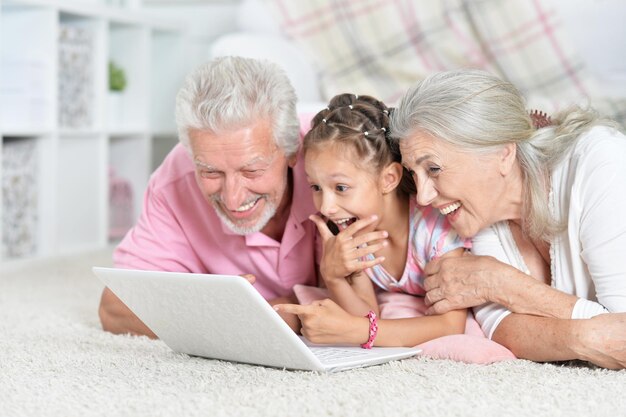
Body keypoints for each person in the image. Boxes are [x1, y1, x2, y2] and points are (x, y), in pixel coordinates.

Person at [390, 68, 626, 369]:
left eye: (433, 169)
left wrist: (502, 283)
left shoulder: (601, 164)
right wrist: (584, 339)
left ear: (502, 153)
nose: (422, 197)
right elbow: (501, 329)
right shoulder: (481, 214)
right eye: (414, 173)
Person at [98, 56, 320, 338]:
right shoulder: (173, 182)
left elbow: (384, 299)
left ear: (291, 151)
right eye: (211, 172)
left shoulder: (340, 159)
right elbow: (115, 308)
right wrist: (226, 313)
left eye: (252, 170)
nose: (232, 198)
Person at [275, 93, 472, 348]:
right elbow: (367, 316)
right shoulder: (349, 230)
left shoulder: (435, 228)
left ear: (389, 179)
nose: (326, 207)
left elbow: (450, 325)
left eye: (341, 187)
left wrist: (359, 331)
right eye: (315, 187)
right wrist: (333, 277)